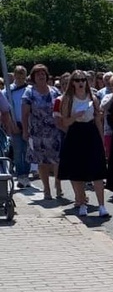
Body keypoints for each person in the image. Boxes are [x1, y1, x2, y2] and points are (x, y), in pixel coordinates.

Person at [58, 70, 109, 217]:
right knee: (77, 171)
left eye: (83, 80)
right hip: (75, 133)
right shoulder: (68, 99)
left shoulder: (93, 97)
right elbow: (65, 121)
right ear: (72, 83)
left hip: (91, 132)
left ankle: (101, 206)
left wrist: (101, 141)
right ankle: (81, 203)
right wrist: (75, 116)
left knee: (97, 171)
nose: (80, 83)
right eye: (77, 80)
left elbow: (98, 120)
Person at [22, 64, 62, 200]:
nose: (41, 76)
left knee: (57, 159)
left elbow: (60, 110)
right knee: (42, 161)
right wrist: (25, 131)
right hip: (37, 132)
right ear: (33, 77)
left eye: (43, 73)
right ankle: (47, 189)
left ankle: (58, 182)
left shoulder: (55, 91)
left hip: (55, 130)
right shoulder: (29, 92)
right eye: (38, 74)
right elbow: (25, 114)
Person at [4, 66, 30, 188]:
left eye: (22, 77)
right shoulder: (8, 91)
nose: (20, 79)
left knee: (27, 151)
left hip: (28, 125)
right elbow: (6, 109)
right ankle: (21, 175)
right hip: (15, 124)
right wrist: (11, 124)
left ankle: (26, 174)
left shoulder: (29, 90)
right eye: (18, 76)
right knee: (18, 151)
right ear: (14, 76)